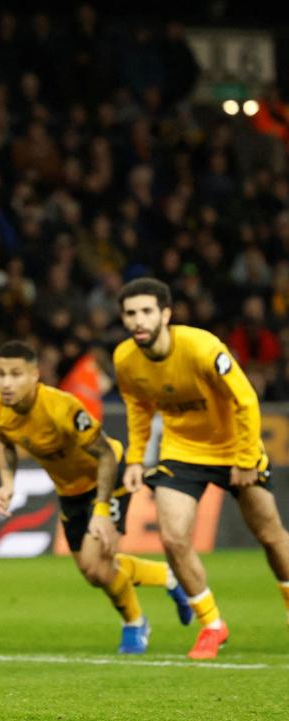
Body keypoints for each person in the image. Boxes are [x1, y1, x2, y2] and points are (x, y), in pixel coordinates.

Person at [114, 277, 289, 659]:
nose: (138, 321)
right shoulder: (125, 359)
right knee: (173, 538)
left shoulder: (201, 347)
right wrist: (135, 459)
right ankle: (212, 624)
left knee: (271, 535)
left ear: (166, 314)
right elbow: (139, 410)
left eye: (146, 311)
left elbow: (245, 399)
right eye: (130, 314)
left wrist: (244, 459)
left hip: (233, 449)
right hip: (183, 452)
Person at [0, 340, 192, 653]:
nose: (6, 383)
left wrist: (100, 510)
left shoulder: (62, 408)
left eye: (15, 374)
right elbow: (5, 443)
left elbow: (106, 454)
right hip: (70, 490)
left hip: (108, 477)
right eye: (0, 374)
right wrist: (7, 482)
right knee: (92, 572)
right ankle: (168, 577)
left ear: (35, 376)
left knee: (98, 567)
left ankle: (135, 623)